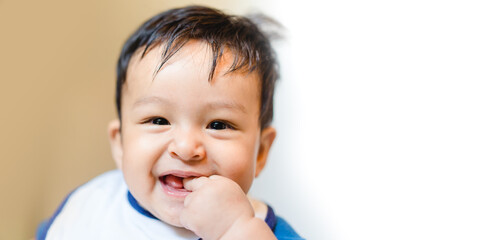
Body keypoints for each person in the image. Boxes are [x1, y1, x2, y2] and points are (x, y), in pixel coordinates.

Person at [36, 5, 303, 240]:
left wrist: (234, 231)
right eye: (159, 120)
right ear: (120, 143)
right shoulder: (91, 209)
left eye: (218, 125)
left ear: (261, 152)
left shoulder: (267, 232)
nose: (186, 148)